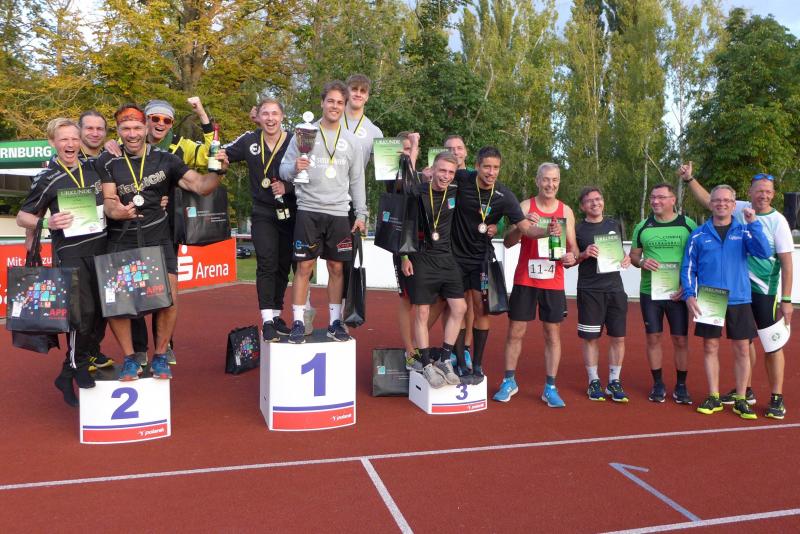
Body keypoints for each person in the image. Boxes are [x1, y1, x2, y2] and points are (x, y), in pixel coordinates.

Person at [98, 103, 225, 380]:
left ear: (145, 129)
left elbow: (201, 186)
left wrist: (218, 172)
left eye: (136, 128)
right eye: (126, 129)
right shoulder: (108, 161)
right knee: (118, 305)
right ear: (118, 131)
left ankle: (160, 355)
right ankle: (130, 357)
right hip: (121, 238)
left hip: (157, 237)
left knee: (169, 299)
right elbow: (108, 200)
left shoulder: (167, 159)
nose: (132, 134)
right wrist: (117, 211)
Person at [683, 164, 794, 419]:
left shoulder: (765, 223)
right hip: (711, 295)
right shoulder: (700, 234)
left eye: (768, 191)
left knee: (761, 345)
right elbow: (707, 198)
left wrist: (787, 299)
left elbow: (767, 253)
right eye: (759, 191)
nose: (763, 195)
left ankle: (772, 397)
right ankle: (728, 394)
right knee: (716, 347)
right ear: (749, 194)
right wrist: (689, 179)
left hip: (753, 292)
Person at [16, 118, 108, 406]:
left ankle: (66, 374)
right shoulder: (47, 177)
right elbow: (23, 216)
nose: (70, 144)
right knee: (82, 314)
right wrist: (48, 222)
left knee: (102, 314)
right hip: (70, 253)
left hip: (101, 250)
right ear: (52, 142)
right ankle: (78, 366)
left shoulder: (93, 167)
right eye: (64, 139)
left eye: (74, 138)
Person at [279, 80, 367, 343]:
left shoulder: (352, 141)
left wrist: (361, 214)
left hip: (339, 212)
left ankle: (334, 322)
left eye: (340, 102)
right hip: (308, 208)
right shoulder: (304, 133)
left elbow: (357, 180)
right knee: (304, 266)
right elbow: (283, 170)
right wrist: (295, 167)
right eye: (331, 101)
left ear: (345, 105)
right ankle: (298, 321)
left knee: (336, 268)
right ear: (322, 103)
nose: (335, 106)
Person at [449, 147, 546, 384]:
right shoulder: (462, 178)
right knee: (457, 310)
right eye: (487, 167)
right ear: (477, 166)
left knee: (481, 311)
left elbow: (526, 229)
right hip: (455, 258)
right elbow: (437, 179)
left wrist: (547, 231)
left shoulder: (504, 195)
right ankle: (460, 362)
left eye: (496, 168)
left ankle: (477, 365)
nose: (491, 172)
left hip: (482, 259)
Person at [494, 162, 578, 407]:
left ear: (559, 182)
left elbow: (573, 248)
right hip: (526, 279)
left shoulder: (566, 211)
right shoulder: (525, 207)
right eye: (546, 179)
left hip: (553, 281)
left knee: (552, 334)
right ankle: (509, 381)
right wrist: (522, 228)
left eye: (555, 180)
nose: (550, 184)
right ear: (537, 181)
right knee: (515, 331)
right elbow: (508, 241)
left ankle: (550, 387)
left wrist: (572, 258)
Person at [223, 98, 296, 341]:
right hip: (263, 211)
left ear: (282, 116)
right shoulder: (249, 140)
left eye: (275, 113)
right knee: (266, 262)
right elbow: (220, 151)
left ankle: (276, 315)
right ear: (258, 116)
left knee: (283, 265)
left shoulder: (295, 141)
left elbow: (309, 173)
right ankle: (267, 320)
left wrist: (288, 186)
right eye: (265, 113)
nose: (270, 118)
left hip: (290, 211)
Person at [401, 152, 466, 387]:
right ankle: (426, 364)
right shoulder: (416, 192)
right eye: (442, 171)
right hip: (421, 257)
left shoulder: (456, 192)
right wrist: (404, 257)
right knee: (422, 312)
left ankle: (445, 359)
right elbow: (404, 225)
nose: (446, 176)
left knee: (460, 307)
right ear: (432, 170)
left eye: (450, 172)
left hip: (446, 258)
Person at [629, 183, 697, 404]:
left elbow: (697, 258)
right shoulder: (642, 226)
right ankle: (658, 383)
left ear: (673, 200)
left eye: (661, 197)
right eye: (652, 197)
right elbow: (633, 256)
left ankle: (681, 385)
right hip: (650, 292)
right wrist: (642, 262)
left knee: (680, 339)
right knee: (653, 337)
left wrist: (687, 287)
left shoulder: (688, 225)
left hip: (679, 293)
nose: (655, 201)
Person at [574, 187, 631, 402]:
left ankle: (614, 381)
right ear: (582, 206)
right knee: (591, 338)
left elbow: (620, 252)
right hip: (590, 290)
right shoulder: (578, 229)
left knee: (618, 337)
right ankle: (593, 381)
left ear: (603, 201)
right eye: (589, 201)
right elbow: (570, 259)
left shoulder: (613, 224)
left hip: (615, 289)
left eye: (598, 199)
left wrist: (625, 258)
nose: (595, 203)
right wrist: (584, 253)